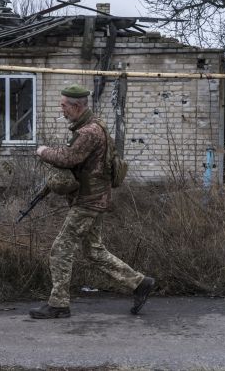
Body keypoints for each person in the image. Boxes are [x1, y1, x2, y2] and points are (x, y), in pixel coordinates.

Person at [29, 84, 155, 319]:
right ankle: (139, 283)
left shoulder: (89, 132)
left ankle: (58, 304)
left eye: (64, 105)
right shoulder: (91, 127)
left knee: (60, 249)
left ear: (77, 107)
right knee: (93, 251)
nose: (62, 109)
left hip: (89, 200)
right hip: (94, 197)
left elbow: (69, 158)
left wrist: (43, 151)